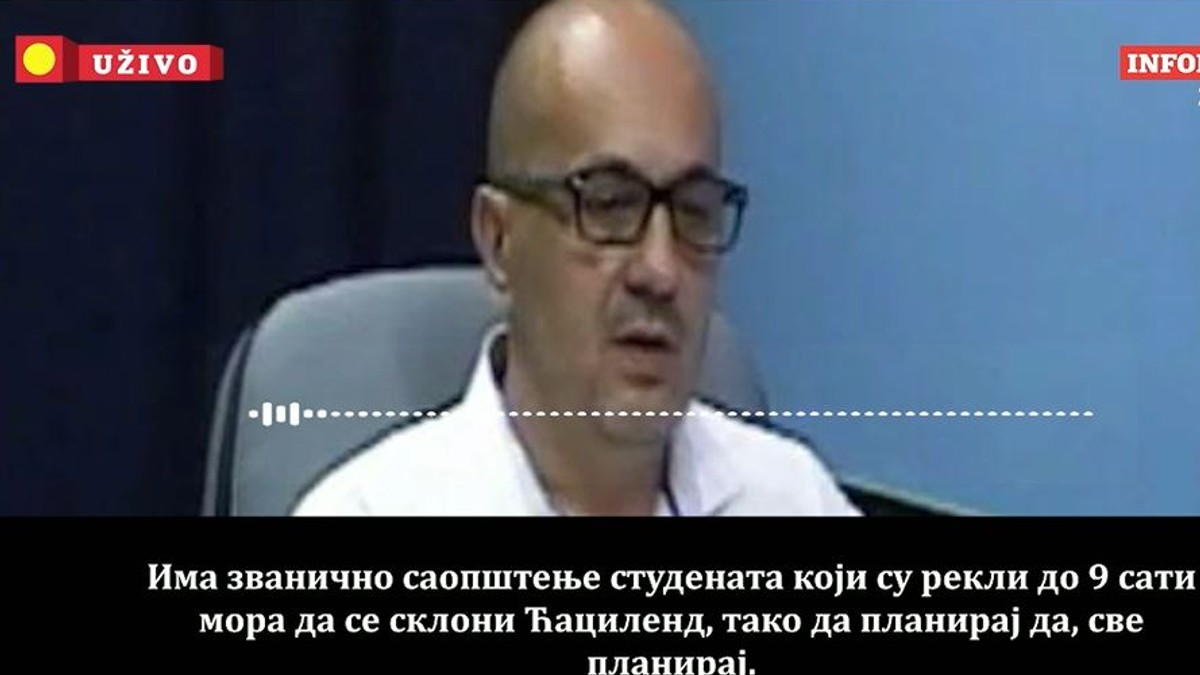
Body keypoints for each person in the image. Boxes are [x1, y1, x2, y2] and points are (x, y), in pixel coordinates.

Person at [292, 0, 860, 517]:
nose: (660, 270)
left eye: (694, 211)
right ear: (498, 240)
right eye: (609, 206)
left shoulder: (793, 498)